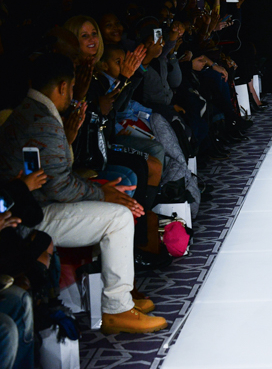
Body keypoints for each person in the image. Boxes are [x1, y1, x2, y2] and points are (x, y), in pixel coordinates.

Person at [0, 53, 167, 334]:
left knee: (115, 210)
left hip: (28, 208)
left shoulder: (28, 111)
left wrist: (102, 192)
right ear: (63, 86)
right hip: (28, 218)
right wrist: (102, 193)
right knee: (118, 218)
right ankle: (117, 308)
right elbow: (60, 186)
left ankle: (121, 295)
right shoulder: (42, 120)